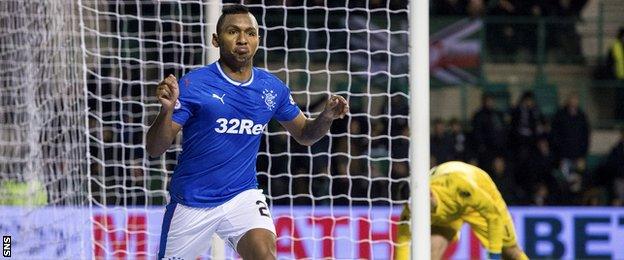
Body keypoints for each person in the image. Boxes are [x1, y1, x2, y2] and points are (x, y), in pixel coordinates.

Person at [145, 5, 349, 259]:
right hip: (192, 201)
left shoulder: (272, 89)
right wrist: (165, 111)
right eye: (233, 31)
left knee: (265, 255)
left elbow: (305, 135)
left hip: (241, 196)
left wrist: (327, 116)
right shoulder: (193, 84)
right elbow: (155, 148)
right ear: (216, 40)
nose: (243, 39)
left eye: (250, 33)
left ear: (258, 40)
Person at [394, 161, 528, 260]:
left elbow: (493, 216)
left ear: (429, 194)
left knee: (510, 252)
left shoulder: (459, 186)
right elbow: (403, 241)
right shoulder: (410, 210)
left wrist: (494, 255)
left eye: (419, 206)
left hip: (477, 191)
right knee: (430, 253)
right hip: (448, 213)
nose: (417, 211)